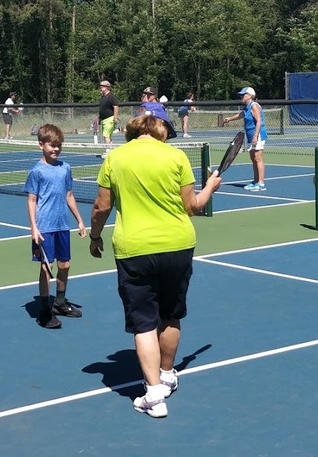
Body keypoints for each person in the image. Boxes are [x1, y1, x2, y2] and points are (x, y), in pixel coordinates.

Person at [89, 114, 222, 418]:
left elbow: (101, 206)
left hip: (134, 249)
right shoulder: (176, 156)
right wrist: (211, 186)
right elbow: (193, 207)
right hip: (178, 245)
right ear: (160, 132)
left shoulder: (116, 157)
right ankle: (167, 373)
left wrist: (95, 237)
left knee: (144, 322)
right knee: (171, 315)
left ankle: (154, 395)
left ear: (134, 132)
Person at [25, 124, 87, 328]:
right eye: (52, 145)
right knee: (46, 269)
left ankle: (59, 302)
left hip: (62, 226)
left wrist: (79, 219)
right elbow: (32, 200)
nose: (56, 149)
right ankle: (44, 311)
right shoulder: (36, 171)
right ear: (41, 145)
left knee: (65, 265)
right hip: (44, 227)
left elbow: (69, 195)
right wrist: (34, 227)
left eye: (59, 145)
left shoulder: (65, 168)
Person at [223, 87, 266, 190]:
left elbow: (259, 121)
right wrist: (229, 119)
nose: (241, 97)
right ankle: (255, 181)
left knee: (258, 158)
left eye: (244, 95)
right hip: (250, 135)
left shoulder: (254, 106)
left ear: (250, 96)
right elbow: (240, 115)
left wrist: (255, 136)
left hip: (258, 135)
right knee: (253, 158)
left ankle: (261, 183)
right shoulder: (247, 107)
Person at [98, 80, 120, 148]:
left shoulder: (111, 96)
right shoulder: (103, 97)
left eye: (102, 87)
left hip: (109, 119)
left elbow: (115, 107)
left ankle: (108, 151)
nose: (100, 88)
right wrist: (100, 118)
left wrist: (115, 118)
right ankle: (111, 150)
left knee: (106, 135)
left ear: (107, 87)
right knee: (108, 136)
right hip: (104, 119)